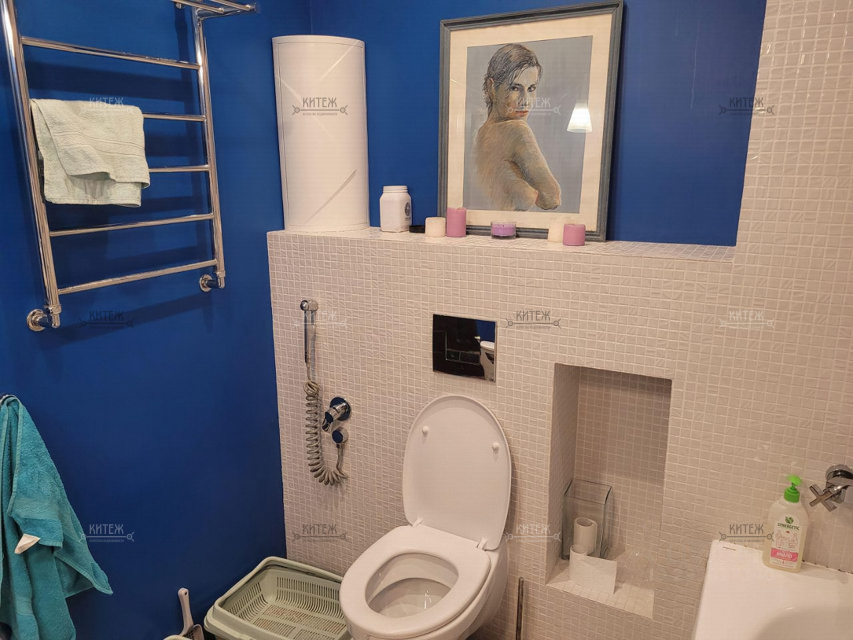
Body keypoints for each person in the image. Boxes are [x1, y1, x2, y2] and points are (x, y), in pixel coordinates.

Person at [474, 44, 561, 211]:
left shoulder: (481, 133)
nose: (525, 100)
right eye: (515, 88)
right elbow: (551, 198)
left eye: (531, 88)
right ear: (492, 87)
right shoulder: (518, 131)